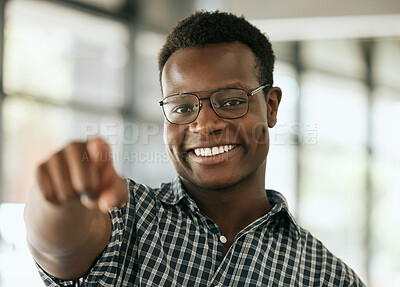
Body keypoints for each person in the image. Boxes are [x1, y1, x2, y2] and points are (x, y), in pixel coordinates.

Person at [24, 11, 366, 287]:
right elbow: (59, 247)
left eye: (231, 101)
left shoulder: (327, 277)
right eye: (182, 107)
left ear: (272, 106)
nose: (204, 125)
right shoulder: (130, 217)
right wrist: (56, 199)